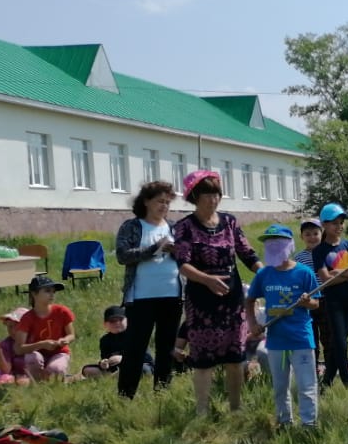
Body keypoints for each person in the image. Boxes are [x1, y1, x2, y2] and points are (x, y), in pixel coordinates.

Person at [172, 169, 263, 415]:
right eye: (207, 195)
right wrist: (207, 280)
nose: (213, 200)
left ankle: (235, 409)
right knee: (203, 360)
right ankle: (202, 412)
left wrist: (265, 274)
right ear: (194, 197)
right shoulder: (184, 227)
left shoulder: (230, 222)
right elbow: (183, 264)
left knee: (235, 357)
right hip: (201, 301)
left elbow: (247, 254)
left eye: (216, 195)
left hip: (232, 300)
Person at [246, 224, 321, 429]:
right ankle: (284, 422)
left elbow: (316, 303)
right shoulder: (264, 274)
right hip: (276, 341)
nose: (273, 246)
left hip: (301, 339)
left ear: (290, 245)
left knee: (306, 385)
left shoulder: (304, 272)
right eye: (269, 243)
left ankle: (309, 425)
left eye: (278, 242)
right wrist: (253, 324)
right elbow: (249, 300)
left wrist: (307, 302)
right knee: (280, 386)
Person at [114, 180, 183, 398]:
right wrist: (155, 248)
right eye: (159, 201)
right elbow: (122, 256)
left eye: (167, 202)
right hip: (141, 297)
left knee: (167, 348)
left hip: (172, 295)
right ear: (146, 201)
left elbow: (187, 257)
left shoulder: (174, 227)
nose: (164, 206)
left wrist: (178, 251)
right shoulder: (132, 226)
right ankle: (125, 396)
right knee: (135, 348)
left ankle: (162, 393)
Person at [311, 202, 348, 389]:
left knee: (338, 342)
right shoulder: (319, 251)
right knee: (340, 341)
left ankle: (327, 381)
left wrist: (338, 273)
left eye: (341, 222)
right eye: (334, 223)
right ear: (324, 225)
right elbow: (325, 279)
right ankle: (347, 380)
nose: (339, 226)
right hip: (333, 301)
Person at [14, 275, 76, 382]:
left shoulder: (62, 311)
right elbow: (18, 349)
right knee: (32, 358)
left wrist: (65, 340)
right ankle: (37, 384)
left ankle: (57, 379)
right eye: (47, 291)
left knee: (56, 369)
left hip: (59, 352)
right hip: (36, 354)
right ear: (34, 294)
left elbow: (71, 335)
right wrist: (41, 344)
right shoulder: (27, 318)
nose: (52, 294)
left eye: (53, 291)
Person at [293, 218, 327, 378]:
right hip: (308, 302)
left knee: (328, 336)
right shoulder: (299, 258)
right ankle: (314, 370)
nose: (312, 237)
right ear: (302, 237)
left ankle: (330, 368)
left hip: (325, 300)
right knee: (311, 337)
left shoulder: (326, 253)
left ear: (321, 234)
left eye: (315, 233)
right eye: (307, 234)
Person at [82, 305, 154, 379]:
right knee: (86, 369)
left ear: (127, 321)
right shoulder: (105, 340)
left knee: (142, 369)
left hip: (139, 365)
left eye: (120, 319)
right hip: (115, 369)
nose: (117, 323)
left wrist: (123, 358)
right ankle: (114, 377)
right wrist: (103, 363)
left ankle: (112, 377)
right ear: (105, 324)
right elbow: (105, 358)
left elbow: (146, 358)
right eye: (112, 321)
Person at [0, 306, 31, 385]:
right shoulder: (7, 344)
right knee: (6, 379)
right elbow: (6, 370)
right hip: (13, 374)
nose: (13, 331)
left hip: (31, 374)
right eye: (10, 327)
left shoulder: (34, 341)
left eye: (17, 327)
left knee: (26, 381)